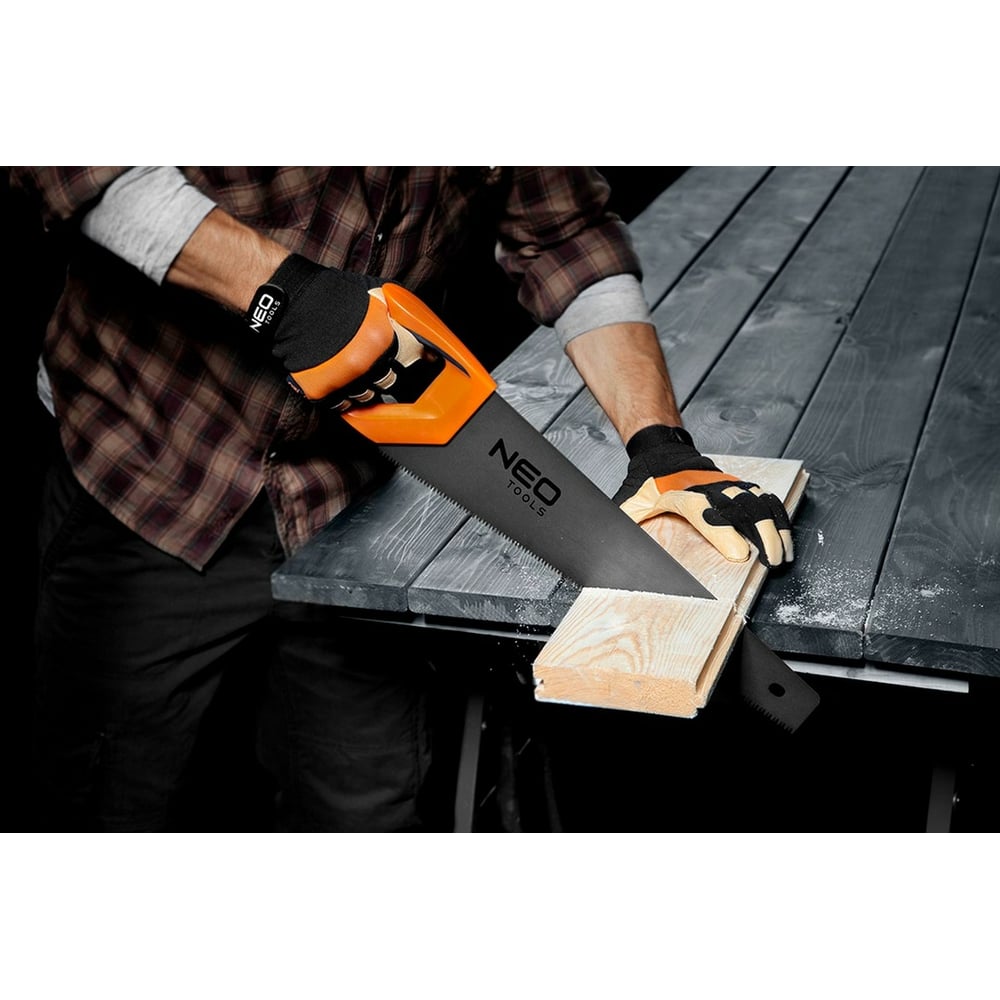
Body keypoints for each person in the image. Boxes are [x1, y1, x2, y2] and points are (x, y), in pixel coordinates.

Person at [12, 167, 793, 832]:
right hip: (154, 469)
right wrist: (282, 292)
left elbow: (568, 237)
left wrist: (660, 446)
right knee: (102, 795)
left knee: (369, 806)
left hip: (345, 503)